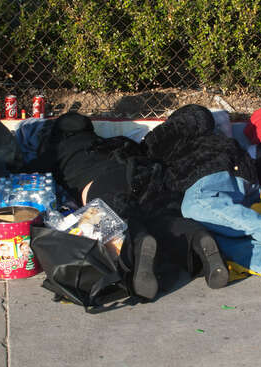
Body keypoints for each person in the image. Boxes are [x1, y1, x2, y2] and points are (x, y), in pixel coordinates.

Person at [27, 112, 229, 300]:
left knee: (118, 223)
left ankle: (139, 244)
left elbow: (28, 173)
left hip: (103, 181)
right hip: (144, 171)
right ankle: (197, 237)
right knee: (163, 218)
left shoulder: (58, 150)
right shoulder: (111, 142)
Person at [142, 105, 261, 290]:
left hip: (215, 169)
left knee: (195, 206)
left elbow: (200, 116)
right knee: (205, 235)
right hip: (228, 193)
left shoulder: (189, 129)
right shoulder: (168, 161)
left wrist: (146, 144)